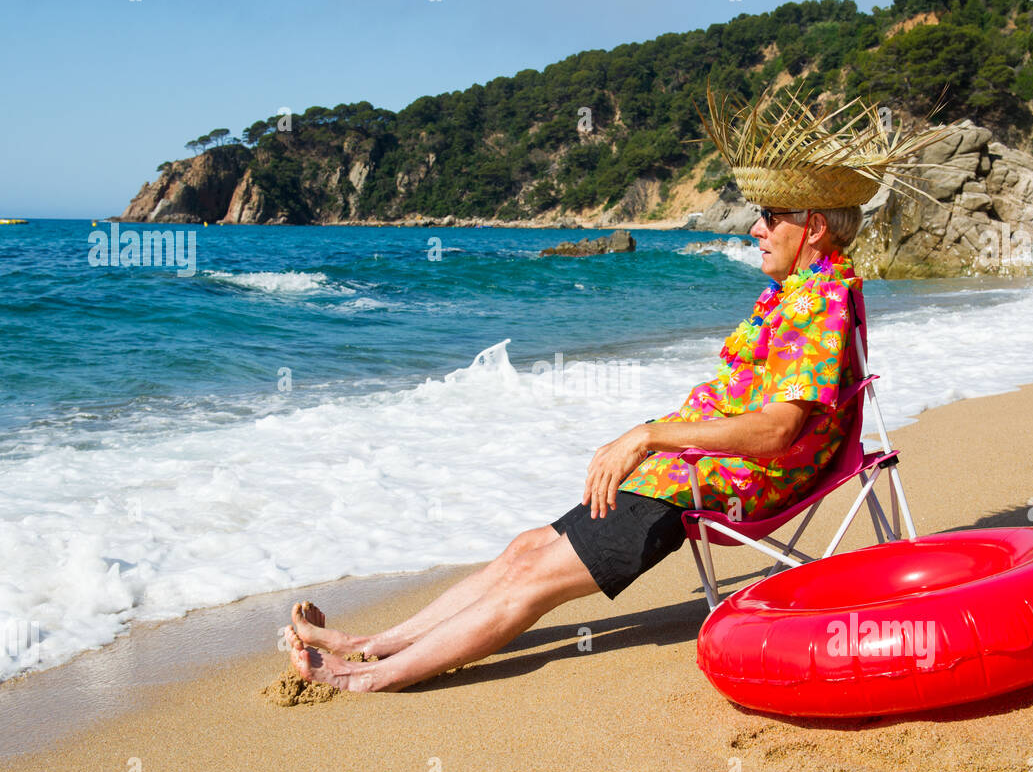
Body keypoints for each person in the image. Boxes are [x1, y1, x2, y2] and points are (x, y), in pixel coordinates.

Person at [284, 85, 942, 692]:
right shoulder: (796, 293)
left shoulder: (817, 301)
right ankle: (368, 643)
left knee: (534, 580)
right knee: (524, 550)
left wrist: (650, 434)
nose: (754, 228)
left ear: (815, 226)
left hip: (725, 481)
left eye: (769, 216)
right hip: (689, 467)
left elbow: (777, 431)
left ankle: (361, 678)